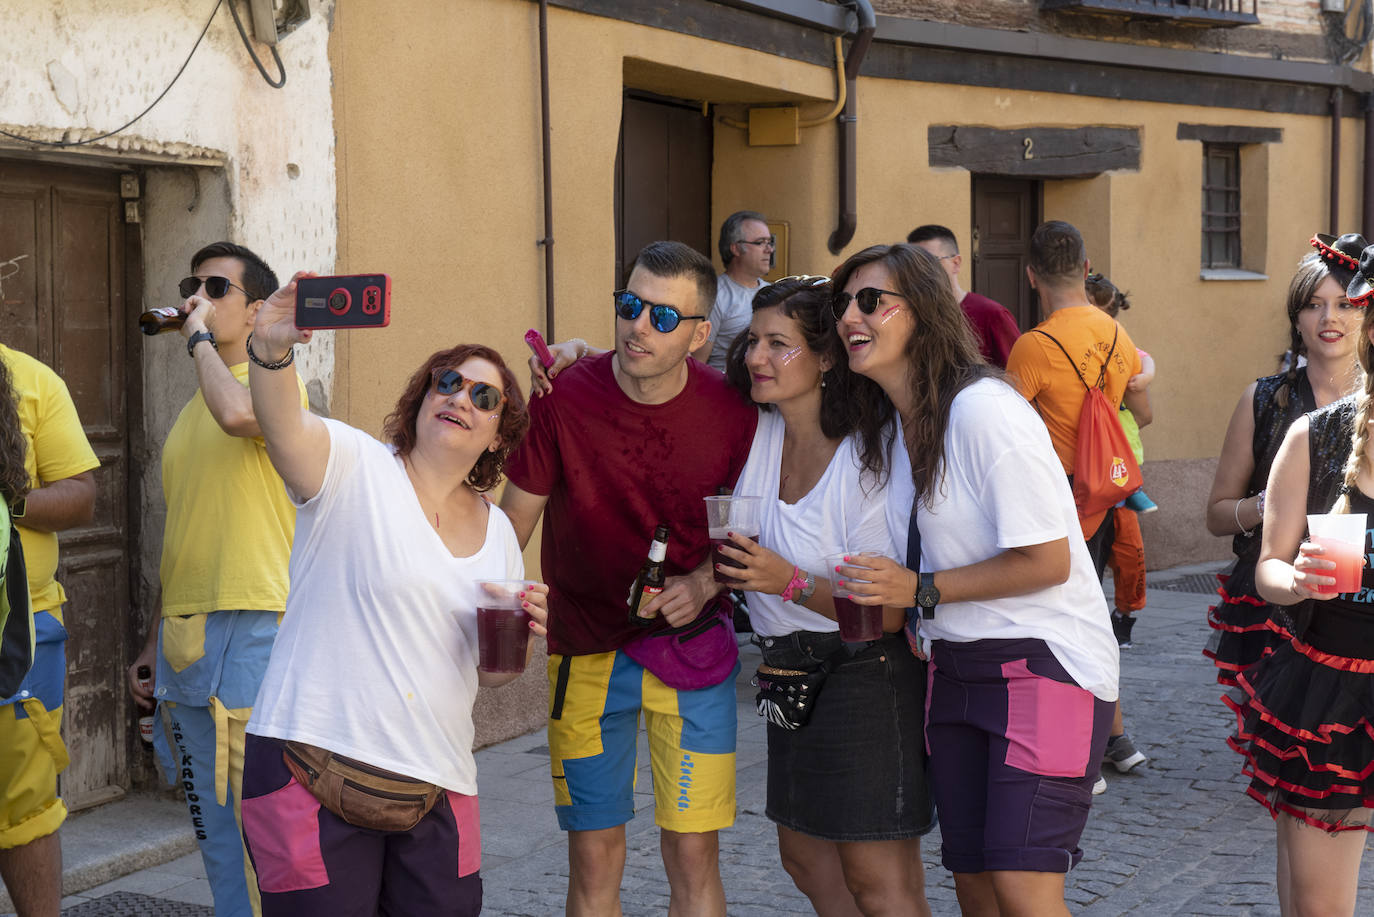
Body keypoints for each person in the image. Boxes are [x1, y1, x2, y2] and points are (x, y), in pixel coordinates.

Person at [236, 273, 547, 916]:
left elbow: (489, 678)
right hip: (306, 765)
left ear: (497, 435)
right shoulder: (353, 465)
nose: (460, 396)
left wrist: (519, 640)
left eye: (483, 394)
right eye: (448, 381)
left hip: (436, 786)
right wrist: (270, 345)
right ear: (423, 396)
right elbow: (283, 422)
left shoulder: (498, 536)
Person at [831, 243, 1118, 917]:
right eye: (843, 301)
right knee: (977, 889)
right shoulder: (899, 423)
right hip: (955, 671)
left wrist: (920, 588)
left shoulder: (983, 409)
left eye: (871, 300)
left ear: (924, 314)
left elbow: (1049, 559)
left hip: (1046, 666)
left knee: (1023, 888)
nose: (850, 314)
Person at [501, 240, 757, 917]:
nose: (639, 325)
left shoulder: (732, 412)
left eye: (663, 317)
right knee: (592, 855)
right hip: (584, 651)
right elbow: (510, 529)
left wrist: (704, 582)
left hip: (692, 652)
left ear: (701, 335)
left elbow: (746, 526)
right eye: (630, 305)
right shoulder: (562, 397)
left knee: (694, 853)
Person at [715, 275, 934, 916]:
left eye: (778, 344)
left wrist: (786, 579)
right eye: (752, 340)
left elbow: (888, 611)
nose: (756, 357)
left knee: (876, 873)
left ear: (828, 357)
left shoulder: (870, 457)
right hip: (784, 671)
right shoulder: (762, 427)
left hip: (865, 673)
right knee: (803, 856)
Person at [125, 242, 303, 917]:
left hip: (253, 623)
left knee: (262, 819)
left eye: (217, 287)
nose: (198, 296)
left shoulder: (273, 383)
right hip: (187, 637)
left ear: (257, 309)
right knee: (213, 827)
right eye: (191, 285)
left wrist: (197, 336)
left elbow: (239, 415)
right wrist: (151, 641)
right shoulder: (185, 415)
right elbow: (183, 536)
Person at [1230, 242, 1374, 917]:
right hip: (1332, 690)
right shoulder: (1312, 437)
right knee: (1318, 908)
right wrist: (1300, 581)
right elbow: (1267, 568)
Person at [1005, 221, 1149, 784]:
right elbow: (1141, 401)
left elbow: (1008, 428)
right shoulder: (1116, 333)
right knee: (1092, 620)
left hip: (1058, 498)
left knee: (1056, 624)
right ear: (1087, 270)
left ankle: (1083, 750)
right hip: (1107, 496)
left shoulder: (1034, 345)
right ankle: (1114, 737)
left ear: (1031, 275)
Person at [1205, 234, 1366, 690]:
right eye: (1314, 305)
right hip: (1270, 599)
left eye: (1345, 305)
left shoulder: (1369, 407)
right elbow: (1217, 515)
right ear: (1297, 319)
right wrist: (1275, 506)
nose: (1329, 317)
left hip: (1355, 608)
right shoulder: (1264, 401)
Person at [0, 343, 98, 917]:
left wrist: (7, 504)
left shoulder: (34, 381)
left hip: (24, 629)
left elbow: (81, 496)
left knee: (27, 806)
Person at [1084, 272, 1156, 648]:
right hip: (1086, 472)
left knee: (1129, 552)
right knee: (1090, 551)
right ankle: (1093, 616)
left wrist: (1141, 380)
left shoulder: (1121, 349)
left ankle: (1125, 614)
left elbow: (1145, 411)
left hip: (1121, 473)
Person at [907, 224, 1021, 368]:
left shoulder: (991, 314)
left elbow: (1018, 376)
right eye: (913, 264)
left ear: (956, 263)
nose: (920, 271)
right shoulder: (909, 315)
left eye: (930, 262)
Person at [694, 210, 773, 371]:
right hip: (724, 391)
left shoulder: (772, 293)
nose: (769, 250)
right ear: (736, 249)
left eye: (769, 242)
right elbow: (697, 364)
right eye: (760, 242)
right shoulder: (714, 295)